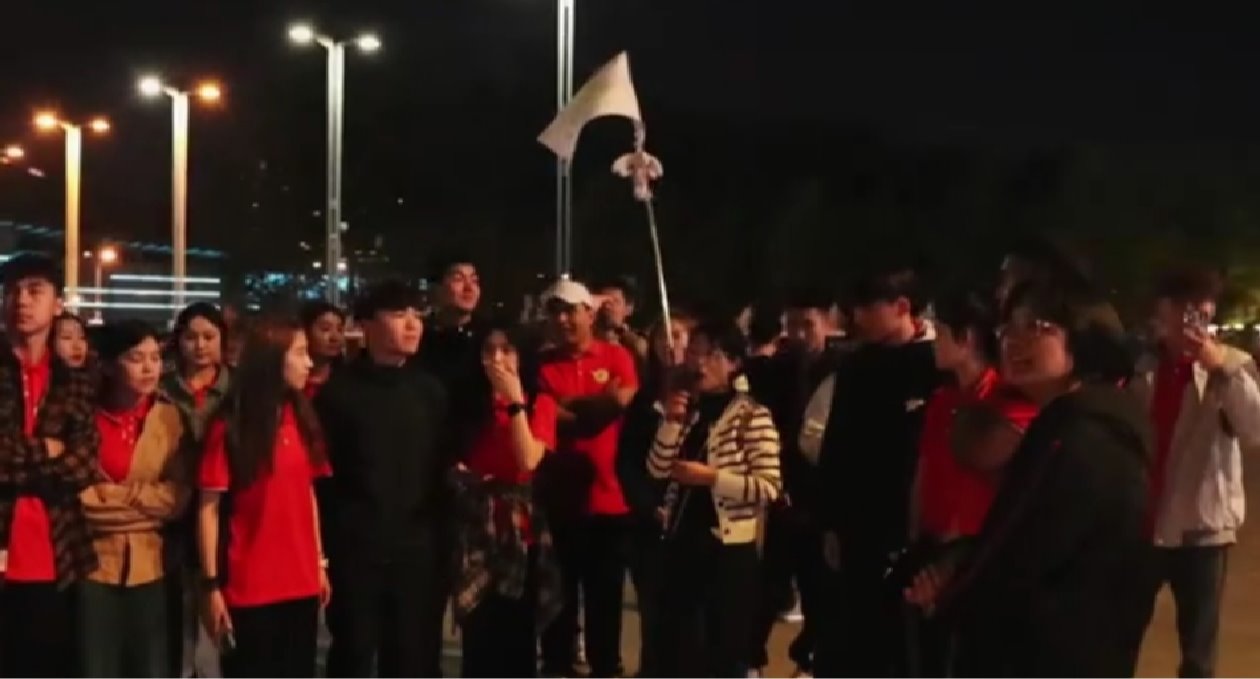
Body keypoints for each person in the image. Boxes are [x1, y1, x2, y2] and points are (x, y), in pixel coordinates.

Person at [910, 279, 1155, 677]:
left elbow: (1029, 561)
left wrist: (957, 593)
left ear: (1085, 338)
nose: (1015, 341)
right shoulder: (1065, 424)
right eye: (1009, 328)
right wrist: (959, 562)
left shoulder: (1085, 438)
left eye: (1038, 327)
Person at [810, 264, 944, 677]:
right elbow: (835, 447)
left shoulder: (935, 365)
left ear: (902, 306)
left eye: (868, 308)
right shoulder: (855, 366)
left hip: (916, 527)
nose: (858, 318)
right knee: (852, 637)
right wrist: (830, 522)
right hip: (858, 528)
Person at [314, 280, 450, 678]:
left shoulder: (430, 391)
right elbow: (324, 481)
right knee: (354, 652)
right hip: (356, 551)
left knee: (413, 656)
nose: (412, 324)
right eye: (398, 314)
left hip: (418, 550)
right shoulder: (337, 395)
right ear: (366, 325)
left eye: (417, 315)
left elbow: (440, 471)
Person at [1129, 267, 1260, 678]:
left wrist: (1220, 369)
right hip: (1141, 522)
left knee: (1198, 653)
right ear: (1162, 312)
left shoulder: (1232, 365)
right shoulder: (1140, 366)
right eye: (1186, 313)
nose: (1195, 325)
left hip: (1202, 530)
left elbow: (1255, 428)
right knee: (1118, 633)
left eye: (1203, 315)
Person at [910, 289, 1036, 675]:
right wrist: (917, 542)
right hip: (935, 549)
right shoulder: (943, 401)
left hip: (980, 557)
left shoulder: (1009, 405)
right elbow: (924, 472)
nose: (933, 340)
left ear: (966, 338)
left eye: (940, 331)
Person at [197, 317, 331, 678]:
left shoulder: (301, 417)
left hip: (301, 581)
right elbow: (209, 510)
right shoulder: (231, 426)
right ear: (272, 361)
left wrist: (319, 562)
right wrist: (211, 586)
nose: (309, 363)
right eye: (300, 353)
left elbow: (308, 493)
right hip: (250, 585)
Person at [649, 319, 782, 677]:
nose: (700, 363)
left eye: (712, 355)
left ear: (734, 362)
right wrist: (671, 421)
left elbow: (768, 486)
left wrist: (710, 478)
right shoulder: (689, 411)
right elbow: (657, 469)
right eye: (695, 353)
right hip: (682, 542)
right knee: (680, 646)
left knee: (723, 649)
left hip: (728, 549)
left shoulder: (752, 416)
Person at [0, 254, 101, 677]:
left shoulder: (75, 380)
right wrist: (48, 450)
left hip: (57, 553)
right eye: (13, 291)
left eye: (34, 291)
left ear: (57, 304)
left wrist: (18, 456)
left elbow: (82, 464)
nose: (21, 300)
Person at [535, 278, 638, 678]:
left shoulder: (616, 356)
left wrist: (571, 407)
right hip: (558, 500)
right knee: (558, 602)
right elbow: (557, 418)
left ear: (590, 314)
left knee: (605, 603)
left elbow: (620, 402)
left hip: (610, 500)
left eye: (570, 311)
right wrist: (600, 404)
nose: (562, 320)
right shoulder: (542, 365)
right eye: (555, 312)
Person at [78, 320, 193, 677]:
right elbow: (81, 502)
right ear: (109, 365)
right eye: (136, 358)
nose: (149, 368)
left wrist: (117, 497)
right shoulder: (82, 417)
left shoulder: (169, 418)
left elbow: (178, 497)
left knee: (151, 667)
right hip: (92, 567)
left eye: (155, 358)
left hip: (153, 566)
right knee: (95, 666)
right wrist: (147, 505)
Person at [453, 321, 562, 677]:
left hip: (519, 532)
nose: (497, 359)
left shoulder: (540, 402)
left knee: (516, 637)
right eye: (489, 350)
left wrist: (515, 403)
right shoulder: (468, 401)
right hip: (475, 531)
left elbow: (528, 458)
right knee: (478, 638)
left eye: (507, 350)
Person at [747, 289, 839, 677]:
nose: (799, 334)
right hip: (783, 492)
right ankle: (750, 661)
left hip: (824, 497)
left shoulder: (843, 368)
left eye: (808, 325)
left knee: (820, 591)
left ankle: (808, 661)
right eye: (792, 325)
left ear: (829, 321)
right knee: (768, 587)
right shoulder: (775, 369)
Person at [616, 309, 696, 678]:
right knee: (654, 614)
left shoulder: (705, 395)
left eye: (677, 334)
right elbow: (627, 462)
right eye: (662, 334)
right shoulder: (644, 398)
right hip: (650, 526)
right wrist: (649, 507)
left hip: (695, 524)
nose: (669, 342)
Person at [161, 301, 232, 677]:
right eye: (191, 337)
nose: (200, 345)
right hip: (172, 515)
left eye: (209, 336)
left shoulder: (237, 389)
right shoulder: (162, 388)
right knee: (176, 623)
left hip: (224, 512)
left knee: (219, 623)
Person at [594, 276, 649, 363]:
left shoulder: (635, 344)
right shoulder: (586, 339)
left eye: (615, 301)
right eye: (604, 301)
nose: (607, 306)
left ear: (629, 308)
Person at [300, 300, 346, 398]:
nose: (335, 337)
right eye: (325, 329)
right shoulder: (291, 382)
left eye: (340, 330)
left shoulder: (350, 380)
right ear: (305, 331)